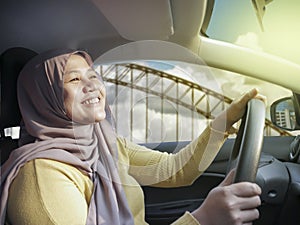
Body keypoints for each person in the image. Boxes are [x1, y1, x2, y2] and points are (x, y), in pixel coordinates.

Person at [0, 49, 264, 225]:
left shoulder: (103, 143)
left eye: (93, 76)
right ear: (45, 100)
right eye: (74, 80)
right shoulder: (41, 177)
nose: (92, 85)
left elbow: (174, 170)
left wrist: (224, 122)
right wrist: (202, 219)